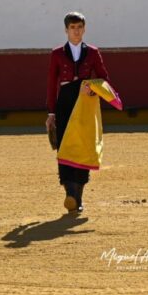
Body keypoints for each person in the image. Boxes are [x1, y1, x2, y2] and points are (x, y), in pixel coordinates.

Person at [45, 12, 110, 213]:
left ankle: (78, 197)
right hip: (64, 102)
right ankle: (70, 194)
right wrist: (51, 113)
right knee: (64, 146)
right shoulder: (57, 53)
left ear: (84, 29)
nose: (76, 31)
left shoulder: (92, 52)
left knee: (82, 146)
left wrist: (92, 87)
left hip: (84, 102)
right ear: (66, 30)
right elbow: (51, 84)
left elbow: (104, 77)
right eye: (72, 27)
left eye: (79, 27)